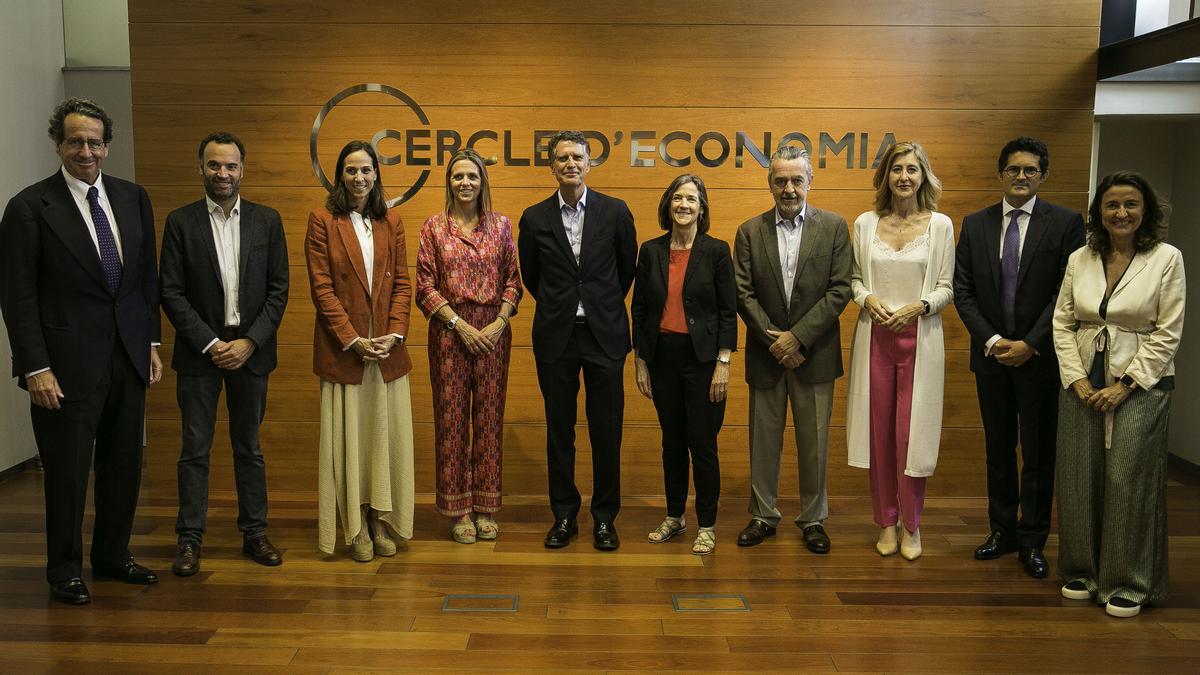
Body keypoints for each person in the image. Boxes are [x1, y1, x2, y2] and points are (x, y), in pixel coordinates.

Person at [0, 97, 161, 604]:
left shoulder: (134, 199)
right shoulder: (29, 208)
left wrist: (151, 342)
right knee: (68, 473)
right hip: (63, 368)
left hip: (128, 358)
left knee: (122, 464)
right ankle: (64, 569)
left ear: (107, 147)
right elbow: (17, 296)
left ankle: (113, 555)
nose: (85, 150)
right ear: (59, 145)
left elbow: (143, 283)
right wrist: (34, 367)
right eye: (75, 141)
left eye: (94, 141)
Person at [1053, 171, 1184, 618]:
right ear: (1099, 212)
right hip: (1082, 381)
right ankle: (1083, 570)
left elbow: (1168, 332)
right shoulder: (1080, 258)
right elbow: (1062, 322)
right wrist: (1078, 380)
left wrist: (1124, 386)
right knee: (1078, 477)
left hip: (1141, 385)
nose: (1121, 213)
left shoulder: (1167, 258)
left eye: (1130, 204)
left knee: (1129, 480)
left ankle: (1129, 581)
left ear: (1145, 210)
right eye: (1112, 205)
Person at [159, 132, 289, 575]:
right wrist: (212, 344)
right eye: (214, 165)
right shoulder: (180, 222)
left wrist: (249, 341)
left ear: (242, 169)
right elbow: (171, 293)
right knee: (194, 448)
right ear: (200, 167)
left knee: (248, 447)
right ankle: (190, 539)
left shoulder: (266, 221)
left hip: (251, 352)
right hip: (201, 355)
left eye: (230, 166)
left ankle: (255, 532)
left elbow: (278, 290)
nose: (222, 174)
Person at [955, 137, 1085, 579]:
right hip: (990, 358)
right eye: (1014, 169)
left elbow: (1065, 293)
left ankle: (1032, 540)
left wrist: (1030, 343)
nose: (1022, 176)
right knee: (998, 449)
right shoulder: (975, 224)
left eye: (1030, 170)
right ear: (1001, 174)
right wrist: (992, 341)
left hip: (1039, 358)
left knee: (1038, 452)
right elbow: (964, 290)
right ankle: (1002, 531)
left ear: (1043, 175)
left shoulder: (1067, 224)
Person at [517, 130, 638, 551]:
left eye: (578, 157)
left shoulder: (616, 212)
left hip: (604, 337)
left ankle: (605, 519)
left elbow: (626, 271)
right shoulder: (534, 218)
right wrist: (564, 305)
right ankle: (564, 516)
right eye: (562, 157)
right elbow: (531, 277)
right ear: (552, 166)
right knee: (559, 431)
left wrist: (597, 304)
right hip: (556, 338)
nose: (570, 163)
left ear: (589, 164)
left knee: (607, 431)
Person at [733, 145, 852, 553]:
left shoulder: (834, 227)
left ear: (809, 181)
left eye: (796, 180)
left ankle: (813, 519)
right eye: (780, 180)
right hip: (767, 355)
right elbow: (743, 294)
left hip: (814, 354)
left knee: (814, 443)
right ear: (770, 183)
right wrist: (777, 341)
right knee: (763, 441)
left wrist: (797, 337)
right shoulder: (749, 231)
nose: (789, 188)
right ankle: (762, 516)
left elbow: (840, 290)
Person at [305, 140, 415, 562]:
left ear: (376, 174)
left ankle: (379, 520)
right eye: (351, 170)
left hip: (386, 353)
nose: (359, 178)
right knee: (351, 441)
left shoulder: (392, 222)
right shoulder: (323, 220)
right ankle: (355, 527)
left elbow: (403, 283)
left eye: (366, 170)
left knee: (382, 440)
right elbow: (322, 287)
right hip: (346, 352)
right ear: (340, 175)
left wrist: (395, 334)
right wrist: (353, 339)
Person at [846, 141, 954, 561]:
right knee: (879, 435)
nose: (904, 177)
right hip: (875, 337)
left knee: (913, 436)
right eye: (896, 169)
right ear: (885, 177)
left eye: (912, 169)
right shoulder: (865, 223)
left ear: (923, 176)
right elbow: (855, 279)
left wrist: (919, 307)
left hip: (920, 339)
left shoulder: (940, 225)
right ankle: (885, 522)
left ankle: (912, 524)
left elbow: (947, 286)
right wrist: (867, 299)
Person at [416, 149, 522, 544]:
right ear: (449, 182)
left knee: (490, 422)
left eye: (472, 177)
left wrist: (499, 322)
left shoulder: (501, 226)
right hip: (450, 331)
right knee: (452, 422)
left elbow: (514, 279)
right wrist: (459, 325)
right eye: (458, 177)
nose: (465, 183)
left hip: (494, 331)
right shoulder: (433, 228)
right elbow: (424, 287)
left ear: (483, 182)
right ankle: (459, 510)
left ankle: (485, 507)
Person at [631, 174, 737, 556]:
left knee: (702, 444)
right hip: (662, 359)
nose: (684, 205)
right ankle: (675, 516)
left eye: (691, 199)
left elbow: (729, 311)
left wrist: (723, 362)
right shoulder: (651, 250)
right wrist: (641, 360)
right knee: (672, 443)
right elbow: (639, 308)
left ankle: (706, 524)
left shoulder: (717, 251)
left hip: (704, 361)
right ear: (668, 204)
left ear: (702, 207)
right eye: (678, 198)